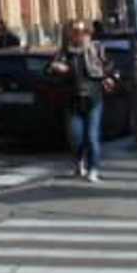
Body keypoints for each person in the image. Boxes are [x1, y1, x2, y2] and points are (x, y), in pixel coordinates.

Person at [49, 19, 115, 182]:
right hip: (73, 100)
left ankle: (93, 169)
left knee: (92, 137)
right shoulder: (65, 52)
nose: (80, 36)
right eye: (76, 32)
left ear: (89, 34)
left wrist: (109, 78)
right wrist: (56, 68)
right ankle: (79, 163)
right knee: (76, 137)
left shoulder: (97, 49)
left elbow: (110, 67)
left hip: (93, 99)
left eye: (84, 32)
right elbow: (49, 70)